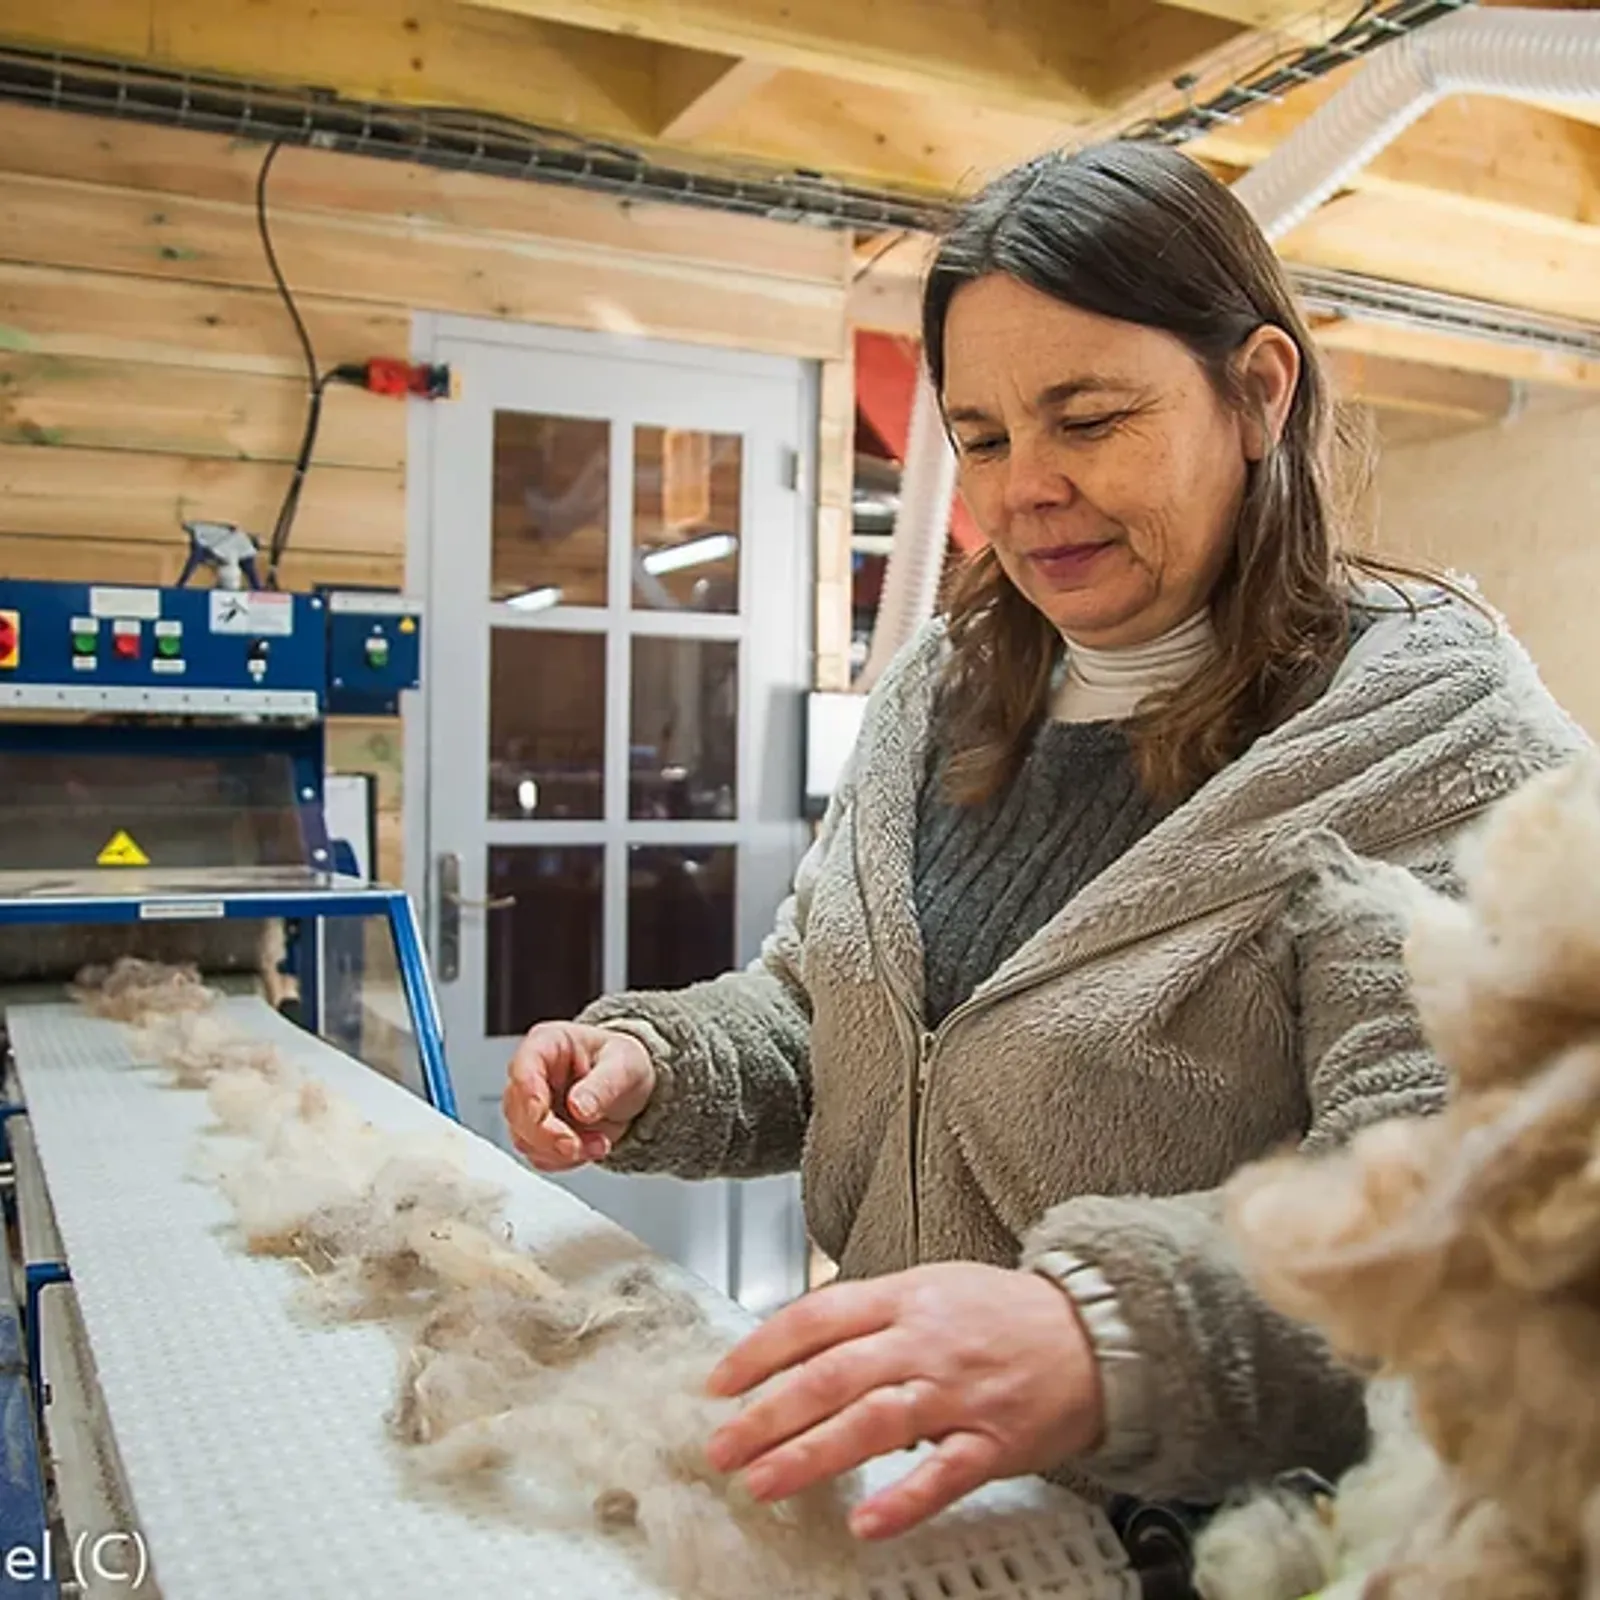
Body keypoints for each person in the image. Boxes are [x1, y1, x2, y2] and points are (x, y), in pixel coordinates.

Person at [501, 143, 1587, 1545]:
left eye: (1089, 419)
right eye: (985, 436)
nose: (1024, 491)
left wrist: (1101, 1340)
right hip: (907, 1514)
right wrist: (660, 1061)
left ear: (1259, 393)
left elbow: (1472, 1215)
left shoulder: (1433, 744)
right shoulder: (943, 692)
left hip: (1219, 1552)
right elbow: (827, 1016)